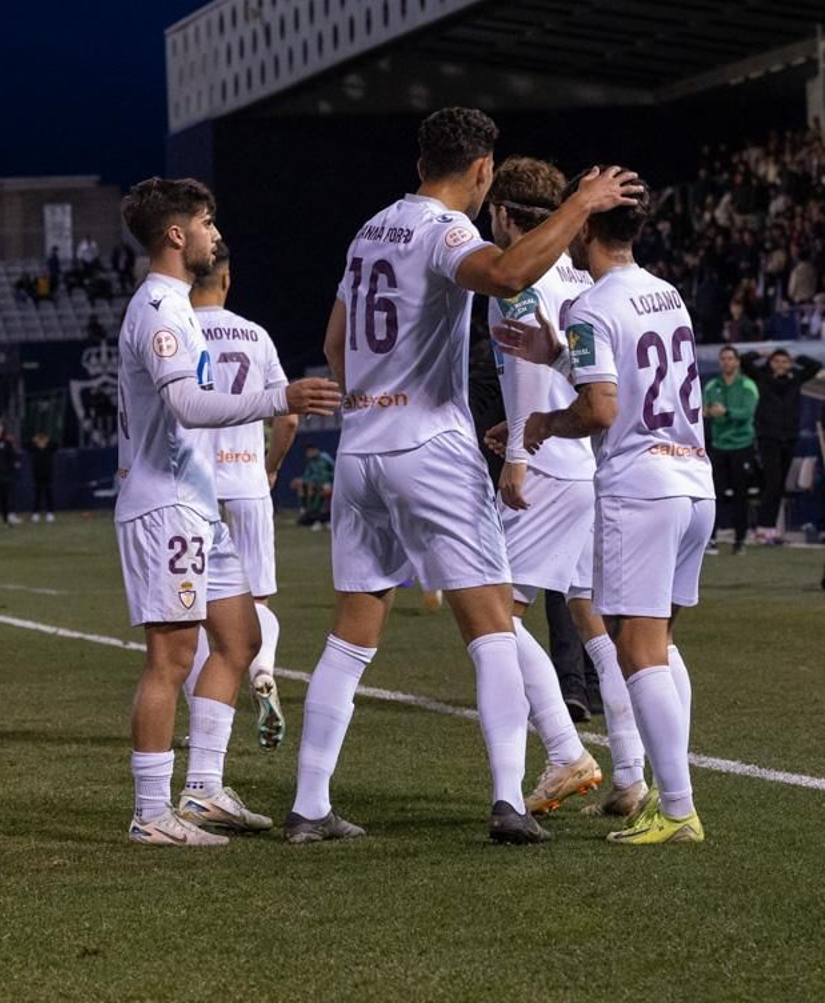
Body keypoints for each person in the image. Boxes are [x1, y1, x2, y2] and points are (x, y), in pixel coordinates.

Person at [284, 108, 643, 846]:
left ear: (421, 163)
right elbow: (506, 273)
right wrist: (580, 204)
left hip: (361, 450)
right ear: (482, 171)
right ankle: (509, 798)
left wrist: (371, 403)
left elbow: (334, 340)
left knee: (351, 636)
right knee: (492, 626)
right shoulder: (445, 230)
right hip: (430, 447)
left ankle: (310, 805)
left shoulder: (368, 231)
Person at [114, 176, 341, 847]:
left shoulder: (179, 305)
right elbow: (186, 404)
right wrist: (278, 399)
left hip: (198, 503)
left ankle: (205, 790)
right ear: (175, 233)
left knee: (240, 639)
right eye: (206, 221)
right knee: (170, 656)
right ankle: (151, 813)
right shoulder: (159, 307)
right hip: (165, 506)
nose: (215, 233)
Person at [503, 170, 713, 845]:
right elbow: (628, 380)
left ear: (588, 224)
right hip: (693, 481)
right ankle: (663, 793)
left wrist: (543, 425)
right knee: (658, 645)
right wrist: (557, 358)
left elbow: (600, 410)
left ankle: (675, 808)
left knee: (638, 651)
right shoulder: (667, 292)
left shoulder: (590, 305)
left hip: (641, 487)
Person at [480, 155, 636, 818]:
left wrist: (517, 452)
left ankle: (564, 750)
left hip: (545, 467)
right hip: (584, 463)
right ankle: (631, 771)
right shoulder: (578, 270)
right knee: (589, 614)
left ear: (504, 213)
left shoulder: (516, 271)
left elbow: (524, 370)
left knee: (493, 614)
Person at [182, 241, 300, 751]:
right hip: (248, 481)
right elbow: (288, 418)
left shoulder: (177, 331)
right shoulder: (256, 334)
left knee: (190, 609)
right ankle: (264, 670)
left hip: (193, 489)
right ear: (227, 280)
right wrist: (270, 467)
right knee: (256, 600)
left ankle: (203, 725)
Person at [742, 346, 823, 543]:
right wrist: (761, 354)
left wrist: (796, 358)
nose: (780, 365)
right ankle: (762, 527)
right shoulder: (762, 377)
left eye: (784, 362)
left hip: (789, 438)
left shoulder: (796, 378)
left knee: (779, 485)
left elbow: (816, 366)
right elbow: (744, 361)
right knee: (773, 483)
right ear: (770, 363)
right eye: (776, 361)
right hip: (768, 438)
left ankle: (769, 529)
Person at [703, 346, 759, 555]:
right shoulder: (712, 385)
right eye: (723, 358)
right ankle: (711, 538)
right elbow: (702, 409)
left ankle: (740, 539)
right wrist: (708, 411)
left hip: (742, 445)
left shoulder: (747, 385)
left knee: (740, 495)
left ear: (737, 362)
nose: (726, 362)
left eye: (730, 358)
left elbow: (747, 412)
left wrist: (725, 412)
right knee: (712, 495)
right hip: (718, 446)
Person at [293, 442, 334, 528]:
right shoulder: (311, 462)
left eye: (310, 451)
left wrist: (332, 482)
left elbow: (334, 470)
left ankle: (319, 515)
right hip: (315, 483)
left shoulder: (324, 457)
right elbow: (306, 475)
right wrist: (300, 480)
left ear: (315, 450)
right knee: (303, 484)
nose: (308, 454)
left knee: (316, 488)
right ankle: (306, 510)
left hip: (327, 483)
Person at [29, 430, 57, 522]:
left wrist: (48, 441)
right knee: (37, 494)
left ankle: (50, 513)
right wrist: (34, 440)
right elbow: (27, 446)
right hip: (37, 474)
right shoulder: (34, 447)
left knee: (48, 493)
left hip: (48, 474)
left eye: (43, 439)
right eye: (40, 439)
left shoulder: (50, 447)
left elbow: (56, 445)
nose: (41, 441)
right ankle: (36, 513)